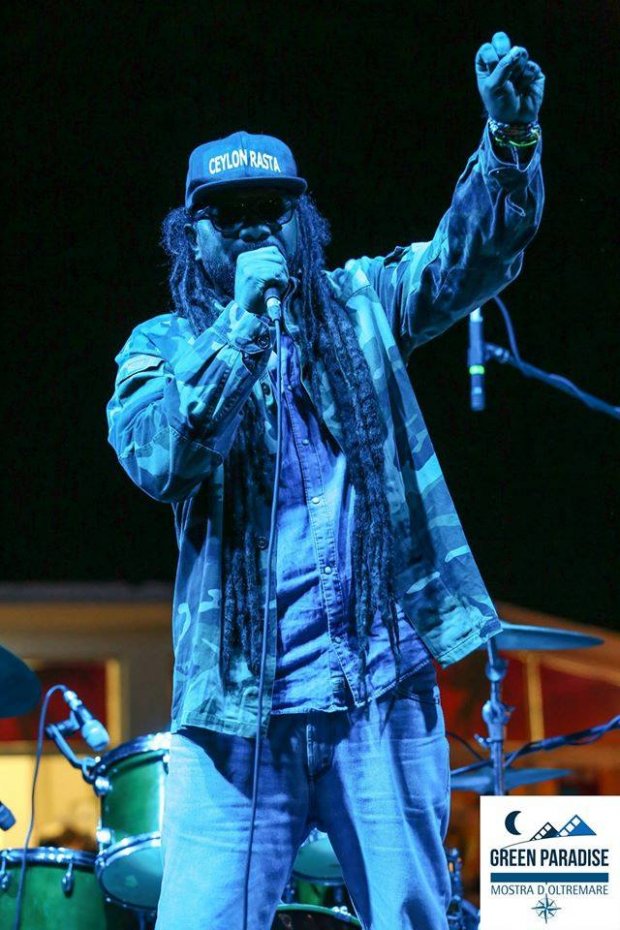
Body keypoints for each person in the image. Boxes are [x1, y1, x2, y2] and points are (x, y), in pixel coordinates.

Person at [107, 31, 544, 930]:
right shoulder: (167, 346)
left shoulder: (361, 306)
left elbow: (467, 259)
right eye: (228, 213)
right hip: (238, 718)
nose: (254, 226)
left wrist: (510, 145)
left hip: (380, 694)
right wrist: (240, 333)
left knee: (415, 917)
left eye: (272, 208)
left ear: (303, 221)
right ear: (192, 235)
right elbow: (156, 458)